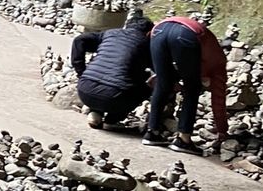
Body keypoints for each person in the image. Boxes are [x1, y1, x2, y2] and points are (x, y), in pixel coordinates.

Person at [143, 13, 229, 151]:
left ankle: (152, 132)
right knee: (192, 89)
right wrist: (222, 130)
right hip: (185, 34)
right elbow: (218, 97)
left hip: (159, 29)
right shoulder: (218, 65)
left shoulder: (207, 53)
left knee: (163, 83)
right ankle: (183, 139)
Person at [71, 11, 153, 129]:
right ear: (149, 33)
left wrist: (81, 71)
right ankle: (112, 119)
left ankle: (95, 112)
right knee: (146, 85)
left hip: (85, 89)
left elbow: (79, 40)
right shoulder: (147, 44)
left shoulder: (110, 33)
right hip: (116, 98)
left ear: (126, 26)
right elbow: (160, 72)